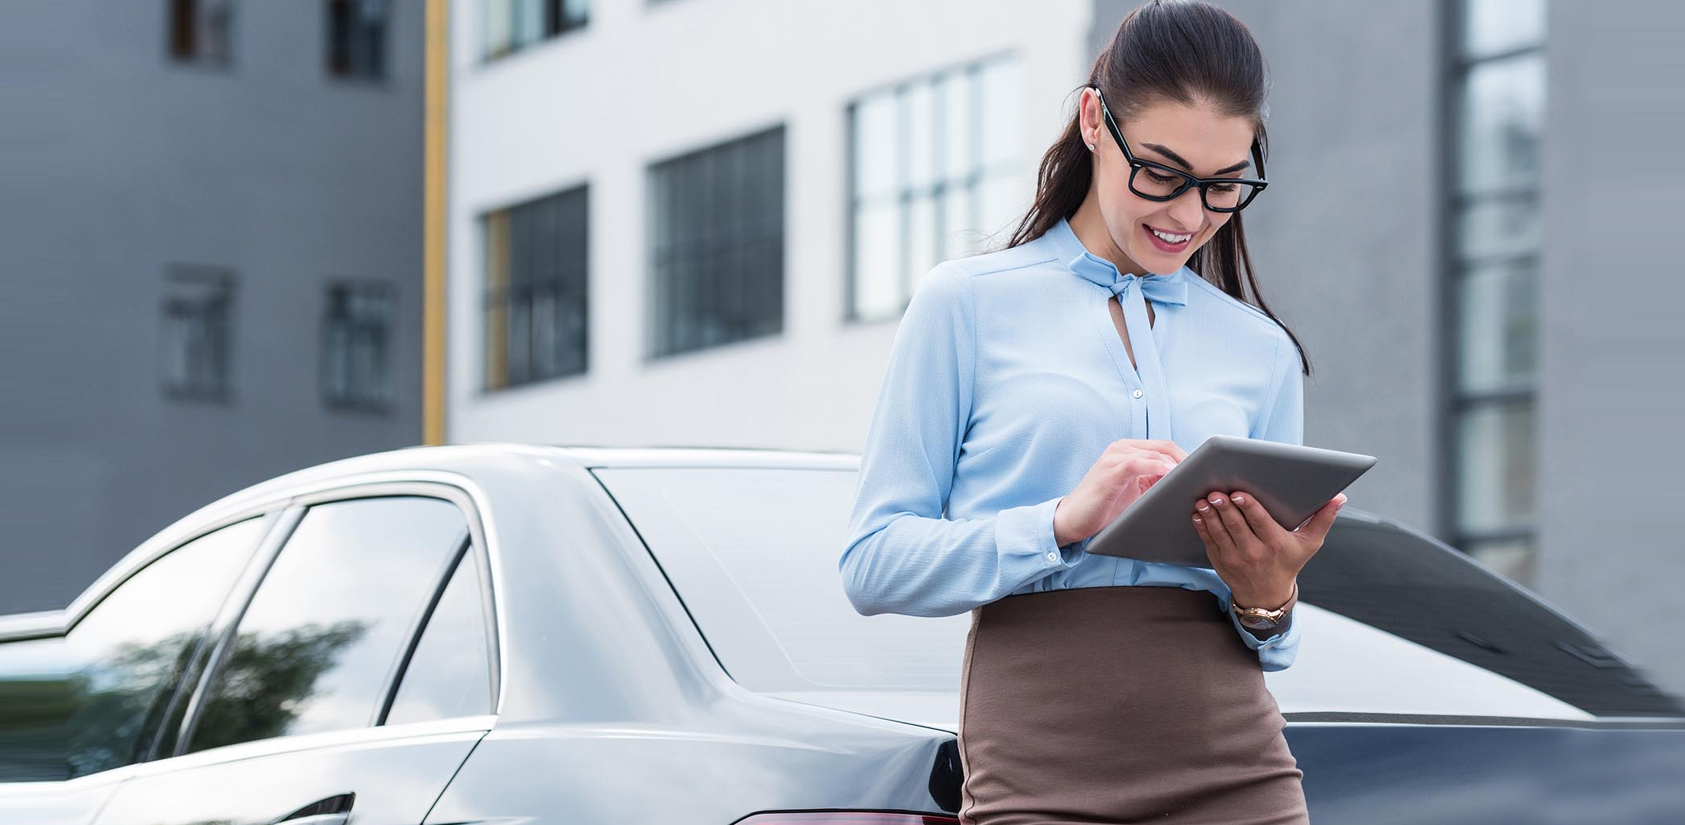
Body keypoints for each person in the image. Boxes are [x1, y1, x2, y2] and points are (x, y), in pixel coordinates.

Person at [837, 1, 1348, 822]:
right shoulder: (965, 305)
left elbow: (1272, 640)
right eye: (1160, 171)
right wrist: (1060, 522)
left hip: (1234, 763)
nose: (1188, 215)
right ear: (1092, 121)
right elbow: (871, 563)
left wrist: (1268, 595)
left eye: (1222, 184)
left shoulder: (1261, 352)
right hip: (1039, 758)